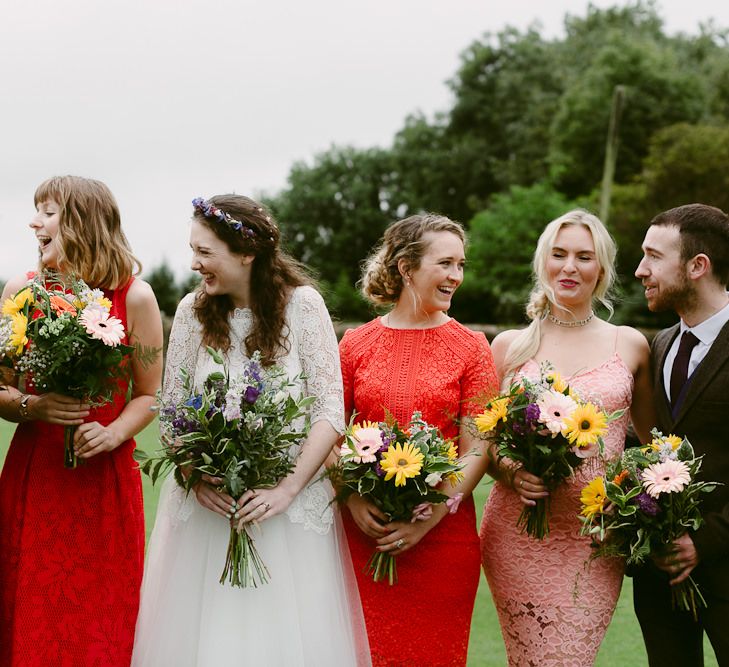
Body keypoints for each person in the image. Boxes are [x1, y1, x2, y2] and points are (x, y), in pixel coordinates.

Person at [131, 195, 369, 666]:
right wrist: (196, 477)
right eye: (192, 250)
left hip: (288, 511)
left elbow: (328, 413)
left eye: (204, 252)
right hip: (208, 512)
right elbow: (174, 410)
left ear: (246, 251)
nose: (194, 263)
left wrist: (286, 490)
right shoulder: (192, 312)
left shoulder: (303, 306)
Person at [479, 209, 655, 667]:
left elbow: (655, 446)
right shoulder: (509, 347)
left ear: (602, 269)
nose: (569, 267)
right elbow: (483, 442)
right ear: (543, 262)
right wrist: (514, 472)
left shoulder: (630, 344)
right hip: (518, 533)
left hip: (595, 537)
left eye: (583, 256)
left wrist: (627, 495)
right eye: (558, 255)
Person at [0, 175, 163, 665]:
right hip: (35, 476)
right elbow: (1, 386)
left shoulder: (136, 297)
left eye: (47, 212)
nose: (34, 222)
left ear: (83, 222)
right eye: (37, 212)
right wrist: (33, 407)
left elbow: (150, 395)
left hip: (103, 483)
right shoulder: (20, 292)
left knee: (100, 621)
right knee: (26, 612)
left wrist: (114, 432)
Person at [338, 214, 498, 667]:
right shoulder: (354, 344)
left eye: (461, 265)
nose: (456, 276)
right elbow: (330, 434)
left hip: (442, 543)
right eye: (445, 263)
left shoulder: (472, 346)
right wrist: (350, 499)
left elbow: (477, 448)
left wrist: (427, 519)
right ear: (406, 267)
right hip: (363, 536)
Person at [633, 203, 729, 666]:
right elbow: (650, 444)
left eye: (653, 256)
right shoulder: (661, 345)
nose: (640, 270)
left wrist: (703, 540)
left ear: (697, 266)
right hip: (660, 579)